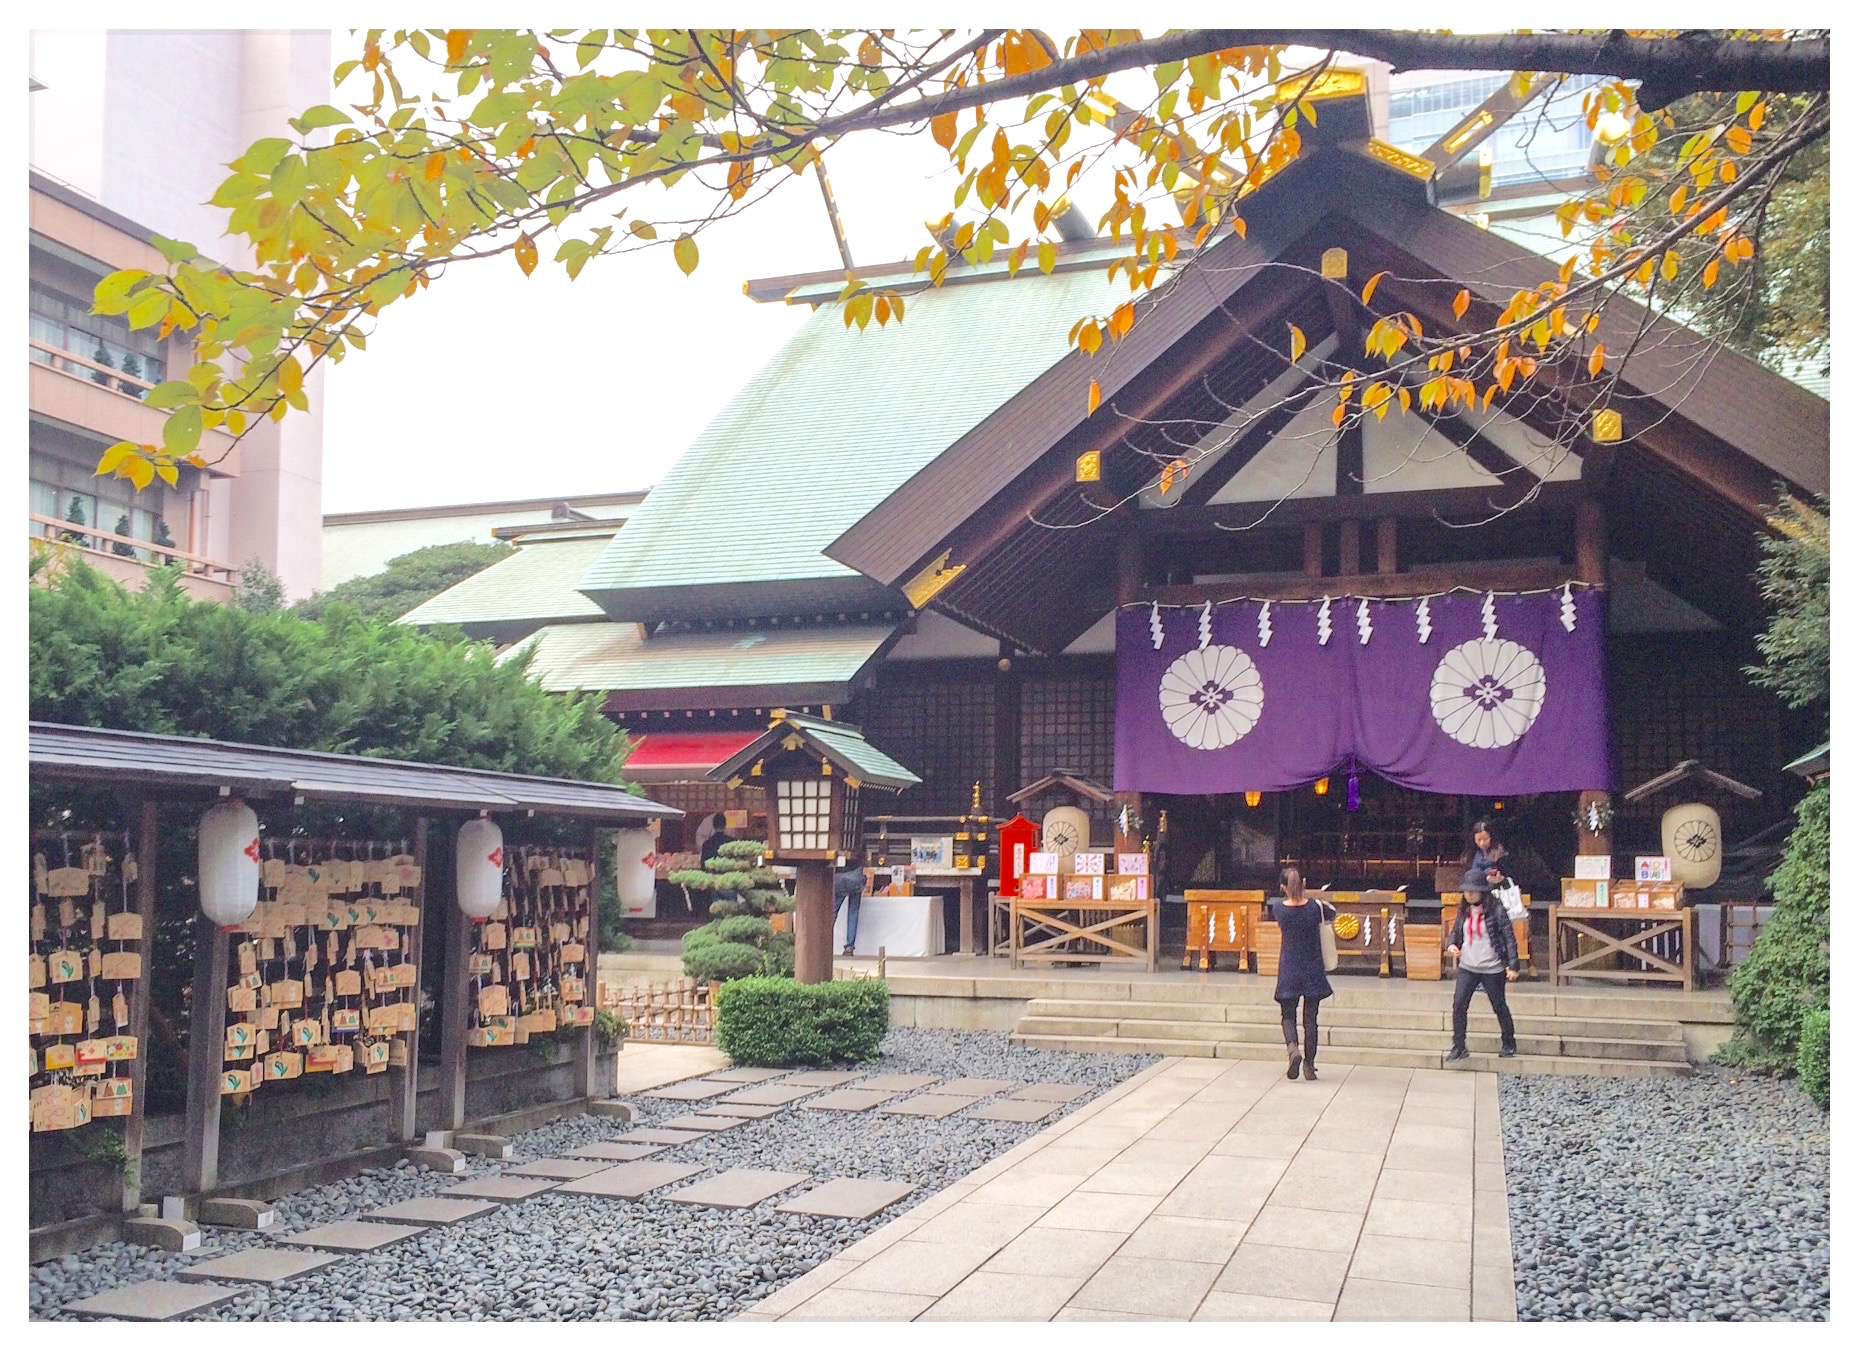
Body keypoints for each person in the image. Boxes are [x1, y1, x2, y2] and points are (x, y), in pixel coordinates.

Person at [1446, 819, 1522, 1061]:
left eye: (1472, 891)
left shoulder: (1496, 909)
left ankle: (1508, 1041)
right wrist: (1452, 944)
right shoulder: (1464, 910)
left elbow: (1508, 937)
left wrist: (1513, 965)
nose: (1469, 895)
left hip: (1492, 966)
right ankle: (1459, 1045)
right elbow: (1457, 930)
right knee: (1459, 1004)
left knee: (1498, 1004)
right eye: (1466, 891)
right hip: (1469, 964)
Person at [1269, 866, 1332, 1081]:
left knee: (1288, 1015)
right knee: (1310, 1019)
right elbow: (1332, 913)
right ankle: (1309, 1064)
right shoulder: (1316, 907)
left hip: (1289, 968)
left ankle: (1293, 1049)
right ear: (1303, 883)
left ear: (1282, 887)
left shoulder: (1279, 909)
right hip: (1312, 968)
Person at [833, 850, 866, 957]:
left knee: (833, 911)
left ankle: (825, 942)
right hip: (855, 874)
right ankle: (849, 947)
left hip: (839, 875)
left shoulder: (836, 839)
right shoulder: (857, 839)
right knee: (853, 912)